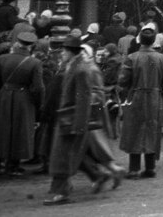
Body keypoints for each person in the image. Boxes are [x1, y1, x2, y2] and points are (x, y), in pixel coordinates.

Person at [44, 36, 101, 205]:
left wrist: (79, 125)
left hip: (72, 119)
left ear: (71, 52)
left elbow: (84, 98)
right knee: (62, 156)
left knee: (62, 156)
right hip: (68, 117)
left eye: (64, 51)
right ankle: (64, 189)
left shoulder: (80, 70)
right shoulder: (74, 67)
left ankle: (62, 192)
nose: (61, 54)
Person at [0, 31, 44, 176]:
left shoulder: (2, 59)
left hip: (3, 96)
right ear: (31, 47)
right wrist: (38, 105)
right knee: (19, 131)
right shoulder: (35, 63)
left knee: (0, 130)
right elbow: (38, 88)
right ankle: (13, 165)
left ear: (17, 43)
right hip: (23, 98)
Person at [118, 26, 163, 178]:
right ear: (154, 41)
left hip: (136, 96)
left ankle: (133, 169)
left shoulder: (132, 58)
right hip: (154, 97)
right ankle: (150, 167)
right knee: (152, 130)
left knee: (135, 130)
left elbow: (123, 80)